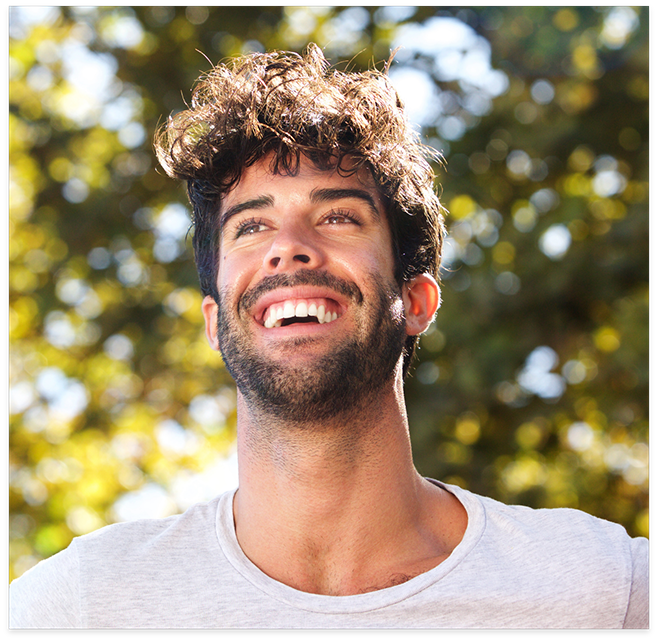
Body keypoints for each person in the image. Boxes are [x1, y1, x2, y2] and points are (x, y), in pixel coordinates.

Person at [10, 44, 648, 629]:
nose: (290, 249)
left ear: (418, 300)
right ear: (214, 321)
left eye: (339, 216)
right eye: (251, 227)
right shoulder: (84, 605)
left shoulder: (602, 590)